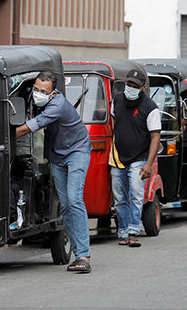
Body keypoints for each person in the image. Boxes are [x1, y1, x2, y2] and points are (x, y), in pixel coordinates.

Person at [16, 71, 93, 273]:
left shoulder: (57, 105)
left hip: (77, 151)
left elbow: (26, 129)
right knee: (66, 205)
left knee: (75, 200)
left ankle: (84, 256)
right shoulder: (36, 101)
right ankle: (78, 255)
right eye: (36, 89)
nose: (38, 93)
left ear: (53, 93)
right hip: (58, 155)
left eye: (43, 91)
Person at [110, 70, 161, 247]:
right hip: (117, 157)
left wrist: (148, 164)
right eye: (128, 85)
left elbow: (155, 137)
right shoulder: (117, 99)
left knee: (137, 195)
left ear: (143, 88)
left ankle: (133, 232)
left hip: (139, 158)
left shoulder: (151, 107)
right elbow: (115, 122)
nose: (130, 89)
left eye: (135, 86)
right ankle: (123, 232)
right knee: (119, 198)